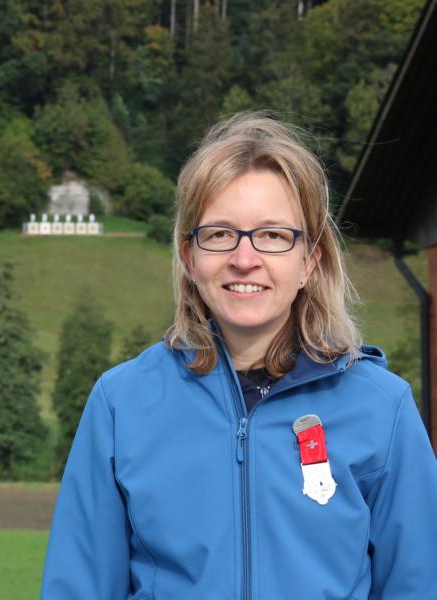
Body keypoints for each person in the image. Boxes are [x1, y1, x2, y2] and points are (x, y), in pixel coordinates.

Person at [41, 113, 437, 598]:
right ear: (190, 258)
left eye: (273, 235)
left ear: (309, 261)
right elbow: (79, 587)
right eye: (220, 233)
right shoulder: (120, 404)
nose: (244, 258)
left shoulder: (383, 407)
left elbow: (418, 586)